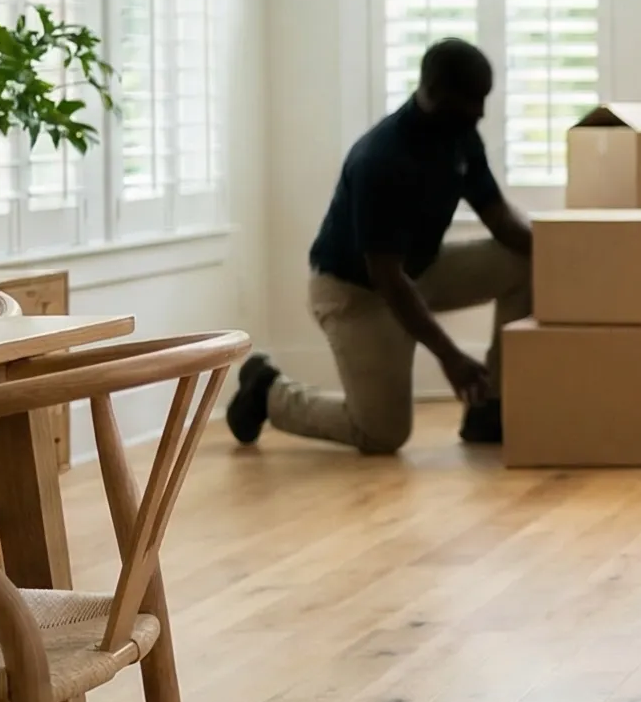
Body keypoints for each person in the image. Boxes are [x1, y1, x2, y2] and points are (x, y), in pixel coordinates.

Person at [226, 38, 534, 453]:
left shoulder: (461, 136)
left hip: (418, 271)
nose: (480, 111)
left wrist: (565, 252)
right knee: (382, 433)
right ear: (434, 92)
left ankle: (490, 408)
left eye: (484, 99)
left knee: (525, 260)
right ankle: (268, 391)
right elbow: (387, 280)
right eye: (471, 100)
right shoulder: (383, 159)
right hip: (357, 293)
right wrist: (451, 358)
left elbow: (499, 219)